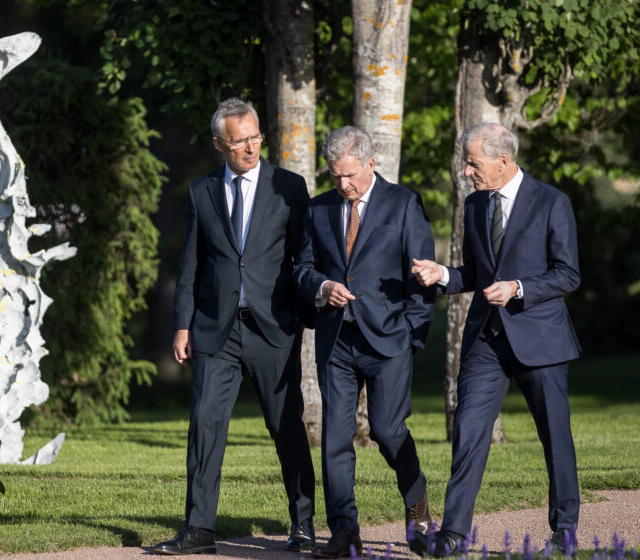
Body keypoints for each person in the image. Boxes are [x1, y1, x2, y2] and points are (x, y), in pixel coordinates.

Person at [410, 122, 581, 556]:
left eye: (473, 163)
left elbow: (568, 273)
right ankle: (452, 537)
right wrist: (442, 275)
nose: (466, 171)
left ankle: (564, 533)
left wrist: (518, 288)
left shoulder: (552, 202)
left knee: (554, 437)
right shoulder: (474, 206)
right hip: (487, 340)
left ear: (503, 161)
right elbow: (475, 273)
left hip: (541, 341)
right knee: (467, 432)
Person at [157, 98, 317, 555]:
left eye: (255, 136)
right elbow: (191, 263)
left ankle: (302, 523)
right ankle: (199, 529)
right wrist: (182, 325)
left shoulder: (289, 186)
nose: (250, 146)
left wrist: (304, 315)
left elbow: (303, 258)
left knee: (286, 427)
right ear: (219, 144)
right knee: (205, 428)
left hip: (274, 329)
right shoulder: (200, 190)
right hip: (214, 331)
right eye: (239, 139)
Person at [293, 126, 436, 559]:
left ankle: (417, 504)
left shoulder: (404, 203)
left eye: (350, 175)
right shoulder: (318, 209)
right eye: (335, 176)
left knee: (387, 431)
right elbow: (301, 268)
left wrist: (413, 335)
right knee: (335, 437)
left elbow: (422, 278)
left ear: (372, 163)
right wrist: (321, 288)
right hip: (336, 339)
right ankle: (344, 531)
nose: (343, 184)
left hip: (389, 339)